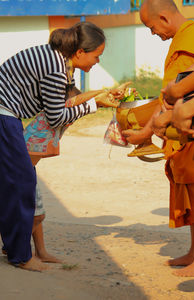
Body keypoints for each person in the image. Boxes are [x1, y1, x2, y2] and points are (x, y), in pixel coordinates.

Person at [0, 21, 123, 272]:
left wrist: (100, 95)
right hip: (4, 113)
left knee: (15, 182)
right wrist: (96, 105)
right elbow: (57, 116)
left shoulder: (60, 62)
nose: (97, 62)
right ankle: (21, 256)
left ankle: (14, 245)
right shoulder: (56, 68)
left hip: (6, 112)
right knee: (23, 182)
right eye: (96, 56)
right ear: (80, 52)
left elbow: (69, 98)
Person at [123, 0, 194, 277]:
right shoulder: (182, 38)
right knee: (190, 190)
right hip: (182, 128)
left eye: (150, 25)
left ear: (164, 18)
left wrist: (146, 131)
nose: (152, 32)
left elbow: (179, 93)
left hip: (192, 128)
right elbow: (170, 94)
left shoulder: (191, 39)